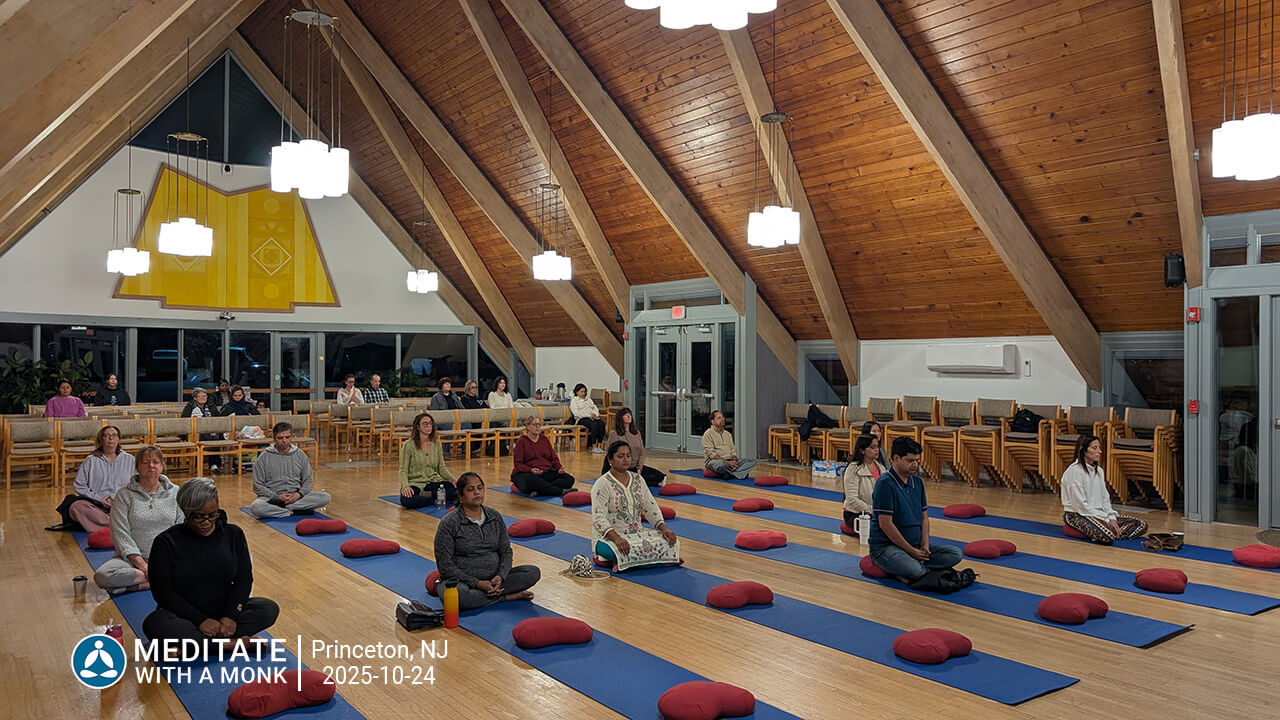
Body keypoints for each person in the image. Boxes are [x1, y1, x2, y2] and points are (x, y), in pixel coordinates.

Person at [143, 477, 279, 650]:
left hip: (221, 610)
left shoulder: (233, 534)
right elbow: (163, 594)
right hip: (184, 616)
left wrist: (230, 615)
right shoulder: (166, 542)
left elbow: (244, 579)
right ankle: (231, 645)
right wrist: (200, 621)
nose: (206, 522)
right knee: (155, 624)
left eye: (212, 515)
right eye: (198, 517)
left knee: (268, 609)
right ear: (185, 511)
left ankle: (191, 647)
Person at [433, 472, 539, 609]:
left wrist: (501, 576)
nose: (477, 492)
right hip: (462, 582)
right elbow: (445, 566)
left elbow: (506, 551)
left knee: (532, 572)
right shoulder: (449, 523)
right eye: (470, 490)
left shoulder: (494, 516)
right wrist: (477, 583)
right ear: (460, 495)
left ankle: (489, 594)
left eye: (480, 488)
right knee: (458, 597)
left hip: (494, 579)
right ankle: (506, 597)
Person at [868, 437, 965, 584]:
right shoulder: (885, 484)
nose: (915, 465)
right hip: (886, 547)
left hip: (914, 545)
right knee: (916, 570)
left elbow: (924, 518)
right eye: (910, 460)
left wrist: (924, 545)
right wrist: (911, 551)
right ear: (896, 458)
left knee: (955, 554)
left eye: (917, 460)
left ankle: (912, 568)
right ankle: (908, 568)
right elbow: (885, 525)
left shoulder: (917, 482)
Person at [93, 446, 184, 594]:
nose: (151, 466)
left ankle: (140, 585)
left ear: (162, 466)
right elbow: (120, 533)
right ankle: (161, 580)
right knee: (103, 576)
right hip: (131, 562)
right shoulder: (124, 495)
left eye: (155, 462)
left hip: (168, 559)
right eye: (145, 462)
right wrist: (141, 564)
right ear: (137, 467)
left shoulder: (175, 492)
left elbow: (180, 529)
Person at [591, 441, 681, 571]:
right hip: (608, 538)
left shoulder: (638, 479)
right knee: (620, 549)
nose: (625, 459)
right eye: (620, 456)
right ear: (610, 459)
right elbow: (598, 518)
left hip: (637, 534)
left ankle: (627, 563)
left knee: (671, 542)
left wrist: (664, 529)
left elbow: (651, 507)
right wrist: (617, 539)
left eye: (628, 455)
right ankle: (654, 561)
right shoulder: (602, 484)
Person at [1061, 434, 1149, 543]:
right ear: (1082, 450)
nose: (1100, 451)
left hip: (1099, 514)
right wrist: (1106, 519)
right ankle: (1111, 532)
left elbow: (1105, 498)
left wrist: (1111, 516)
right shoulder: (1074, 472)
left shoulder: (1099, 471)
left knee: (1141, 524)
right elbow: (1081, 506)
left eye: (1099, 447)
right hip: (1078, 515)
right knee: (1107, 535)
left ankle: (1110, 531)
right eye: (1094, 448)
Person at [47, 426, 136, 532]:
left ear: (118, 439)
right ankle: (117, 524)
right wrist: (98, 499)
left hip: (122, 504)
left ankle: (102, 524)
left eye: (114, 435)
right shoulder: (91, 460)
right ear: (101, 439)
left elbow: (137, 484)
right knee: (77, 507)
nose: (111, 438)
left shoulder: (130, 460)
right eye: (107, 435)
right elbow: (80, 485)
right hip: (97, 505)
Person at [247, 423, 331, 518]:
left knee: (325, 497)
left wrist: (299, 494)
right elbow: (258, 486)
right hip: (272, 498)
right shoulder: (264, 457)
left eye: (287, 437)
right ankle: (293, 511)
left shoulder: (300, 455)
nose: (284, 441)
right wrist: (277, 497)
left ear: (292, 437)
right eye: (280, 438)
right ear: (274, 438)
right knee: (256, 507)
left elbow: (308, 480)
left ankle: (288, 508)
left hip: (296, 496)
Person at [399, 412, 455, 508]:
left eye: (430, 423)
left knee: (456, 491)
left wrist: (452, 479)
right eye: (425, 424)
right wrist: (406, 486)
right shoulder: (408, 445)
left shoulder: (436, 443)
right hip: (416, 484)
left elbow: (441, 468)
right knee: (407, 499)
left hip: (432, 482)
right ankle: (435, 499)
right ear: (418, 427)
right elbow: (403, 470)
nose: (429, 426)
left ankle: (429, 496)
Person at [511, 415, 575, 496]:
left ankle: (539, 490)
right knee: (531, 481)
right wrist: (530, 470)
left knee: (569, 479)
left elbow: (553, 458)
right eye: (534, 425)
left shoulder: (544, 439)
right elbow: (518, 464)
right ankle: (559, 491)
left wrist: (559, 467)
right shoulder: (521, 441)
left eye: (539, 425)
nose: (537, 427)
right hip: (527, 473)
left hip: (545, 472)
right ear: (527, 426)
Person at [603, 407, 665, 487]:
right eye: (626, 415)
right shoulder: (614, 434)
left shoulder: (636, 432)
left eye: (630, 414)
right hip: (622, 467)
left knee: (659, 476)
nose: (629, 416)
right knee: (641, 479)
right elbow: (610, 452)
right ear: (620, 418)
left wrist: (639, 467)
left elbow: (642, 452)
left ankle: (639, 480)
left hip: (635, 466)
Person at [842, 433, 883, 528]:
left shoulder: (881, 467)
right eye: (873, 447)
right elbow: (852, 499)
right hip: (857, 513)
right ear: (862, 450)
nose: (877, 450)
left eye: (877, 447)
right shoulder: (853, 469)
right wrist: (872, 510)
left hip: (878, 511)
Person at [702, 410, 756, 479]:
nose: (722, 419)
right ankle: (739, 473)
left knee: (752, 461)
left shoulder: (728, 434)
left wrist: (734, 461)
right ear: (712, 421)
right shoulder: (708, 434)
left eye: (722, 417)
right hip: (716, 461)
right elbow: (711, 453)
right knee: (721, 465)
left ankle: (731, 474)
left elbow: (733, 449)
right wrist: (727, 462)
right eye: (719, 418)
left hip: (730, 460)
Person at [569, 383, 607, 454]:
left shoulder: (589, 400)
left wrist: (595, 414)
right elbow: (576, 413)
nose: (583, 393)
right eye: (581, 392)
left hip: (592, 417)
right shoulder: (574, 401)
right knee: (594, 425)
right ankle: (593, 446)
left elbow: (595, 408)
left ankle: (599, 445)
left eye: (584, 392)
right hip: (582, 419)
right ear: (577, 392)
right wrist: (589, 415)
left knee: (601, 424)